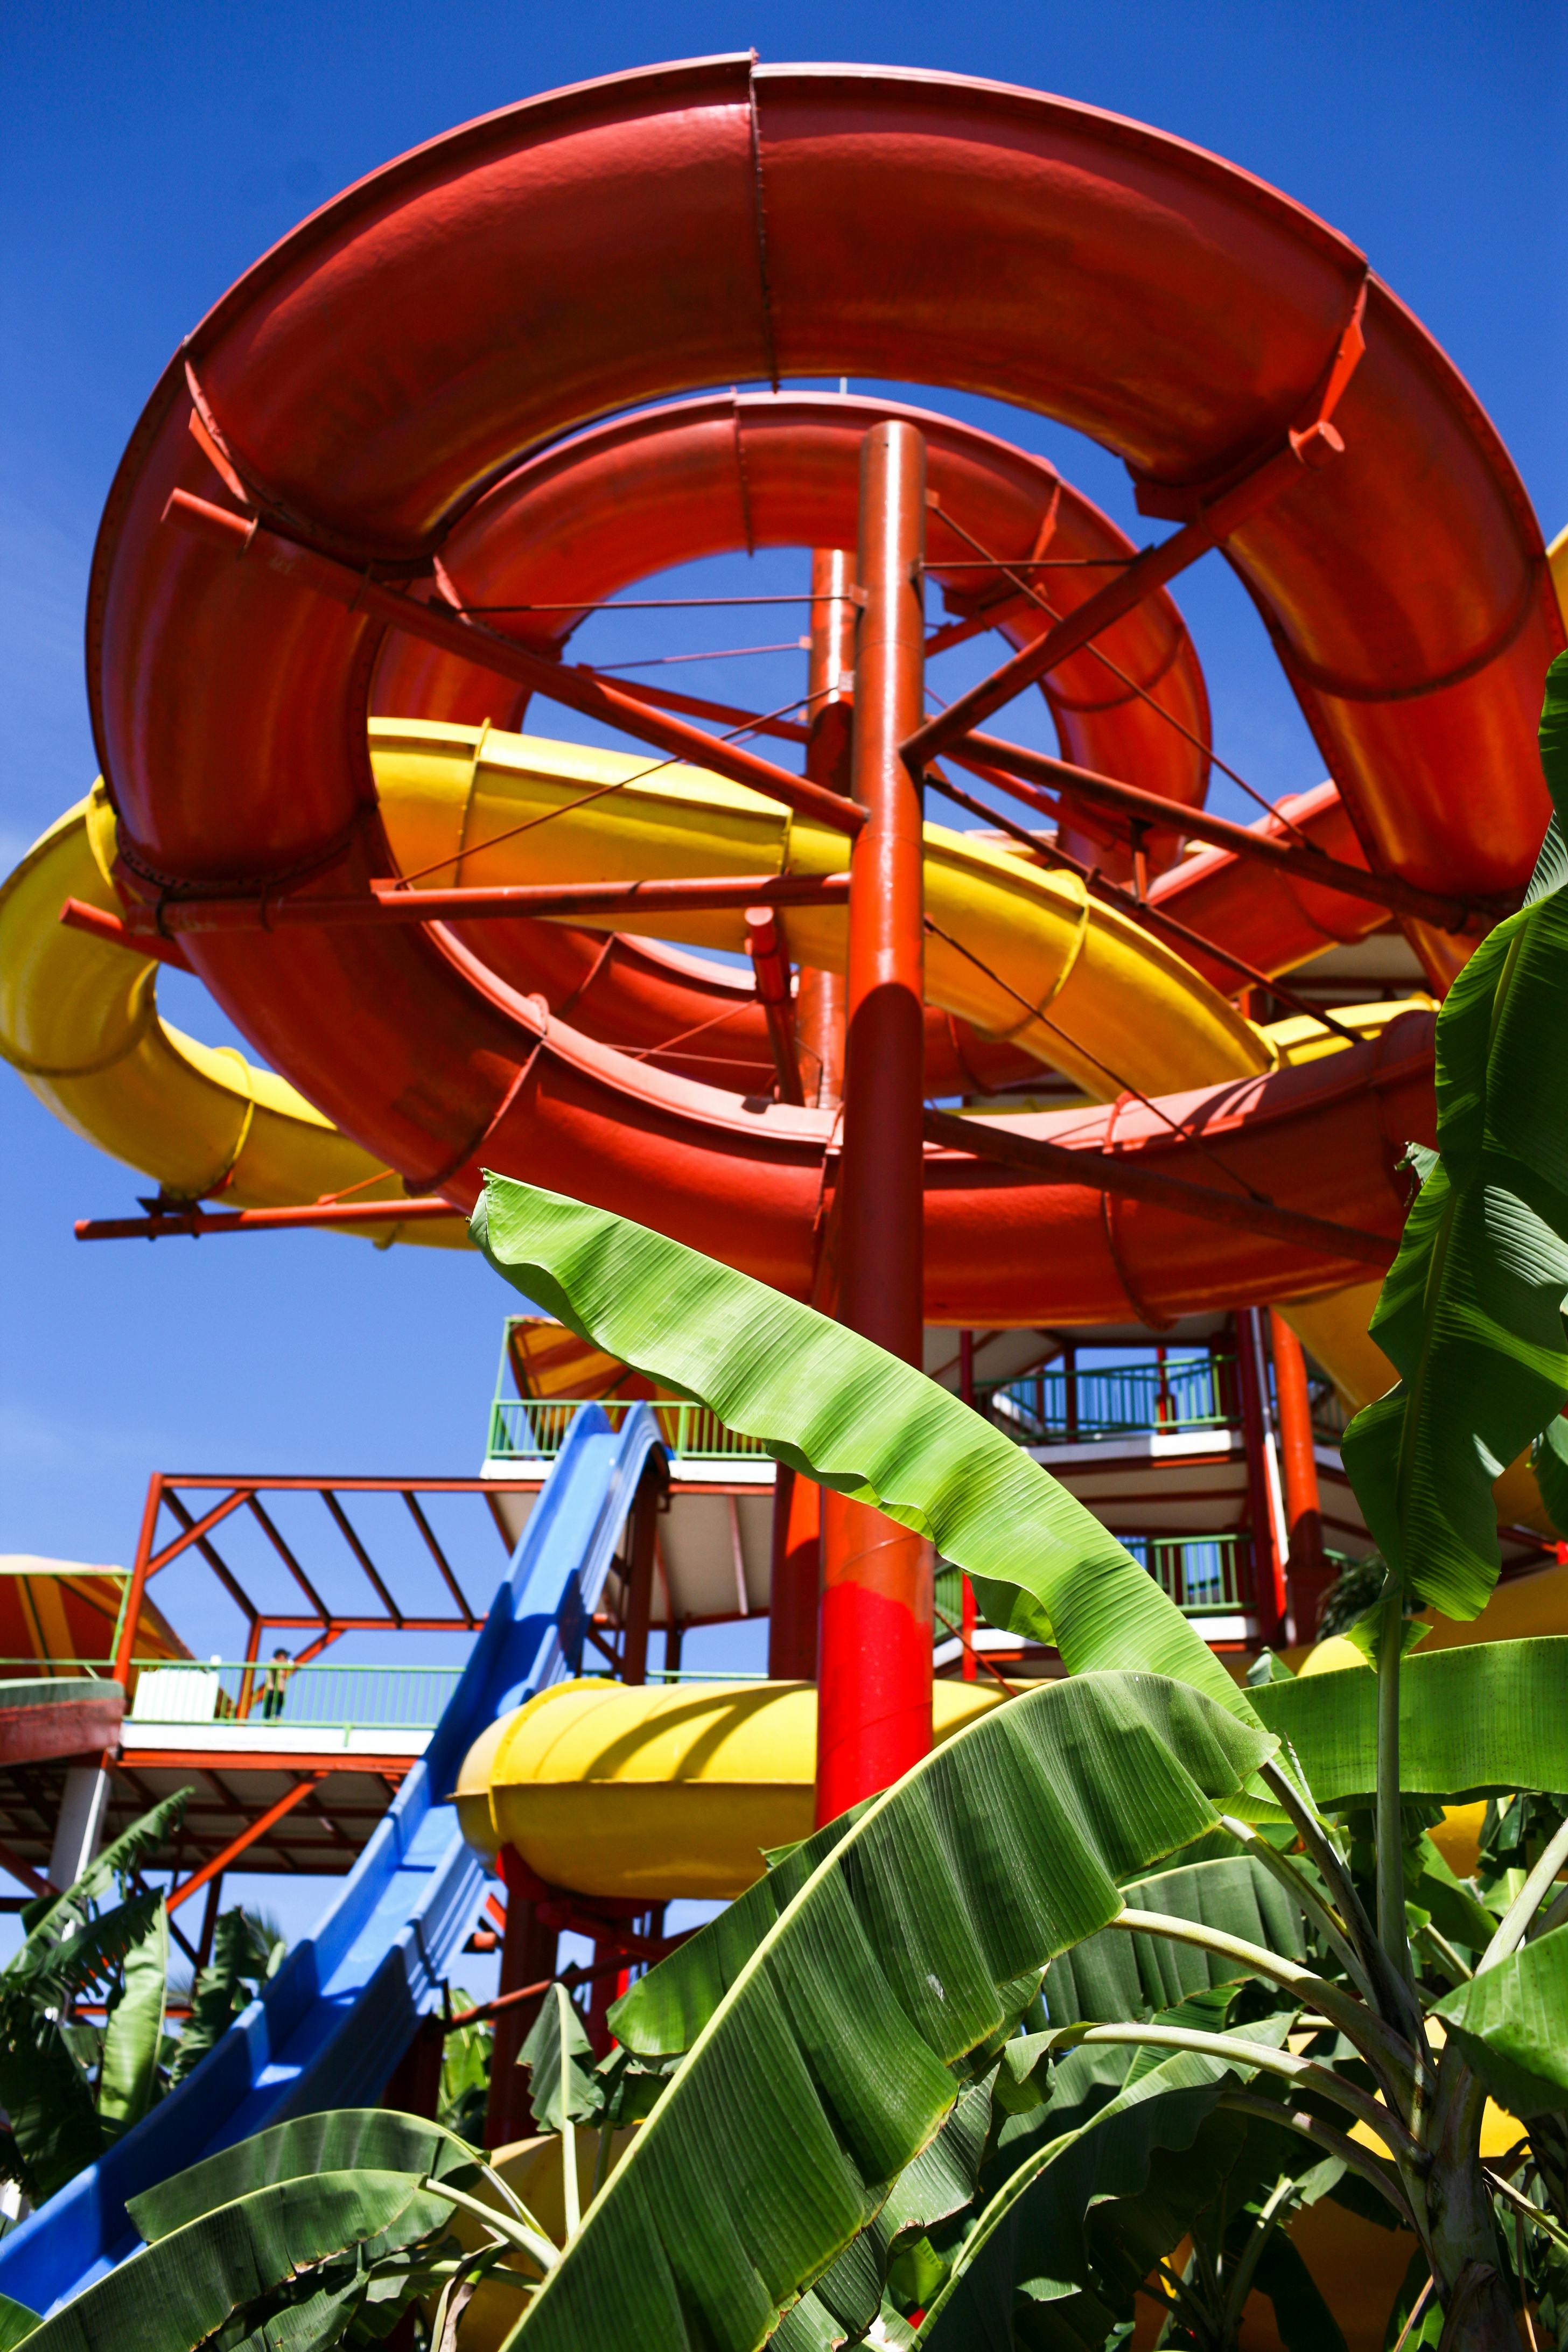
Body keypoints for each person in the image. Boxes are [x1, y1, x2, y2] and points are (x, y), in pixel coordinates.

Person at [258, 1648, 293, 1721]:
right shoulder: (273, 1662)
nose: (285, 1658)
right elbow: (278, 1665)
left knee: (279, 1703)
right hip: (272, 1688)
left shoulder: (282, 1665)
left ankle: (277, 1716)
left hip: (280, 1689)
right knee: (270, 1703)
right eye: (284, 1656)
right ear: (279, 1656)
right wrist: (288, 1663)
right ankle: (268, 1718)